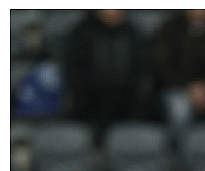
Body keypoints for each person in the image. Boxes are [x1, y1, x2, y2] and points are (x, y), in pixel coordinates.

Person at [61, 10, 152, 144]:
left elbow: (143, 69)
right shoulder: (81, 33)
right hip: (91, 100)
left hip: (127, 100)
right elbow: (73, 71)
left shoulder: (133, 33)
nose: (112, 11)